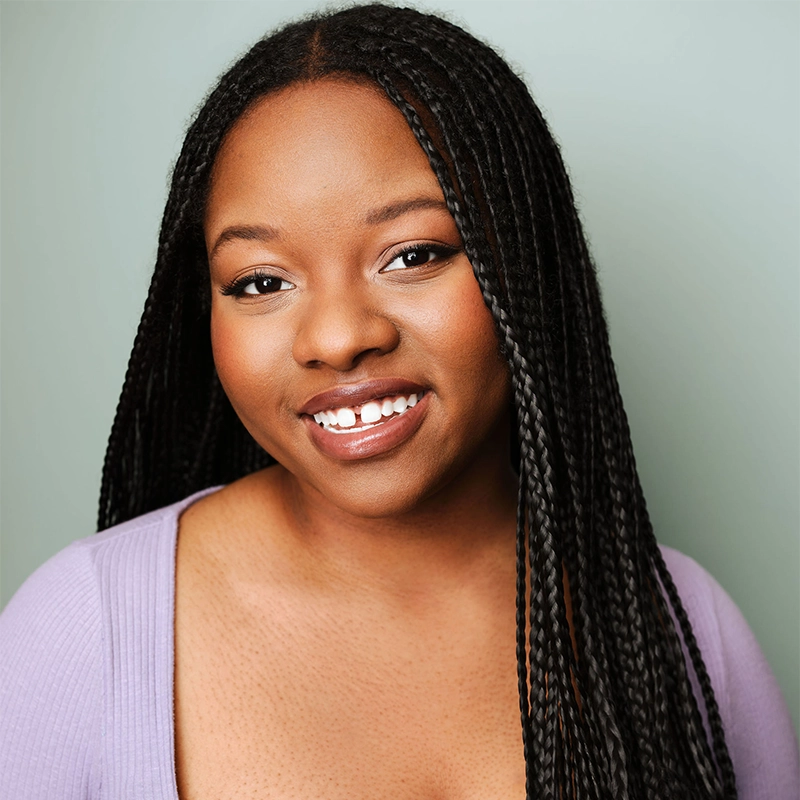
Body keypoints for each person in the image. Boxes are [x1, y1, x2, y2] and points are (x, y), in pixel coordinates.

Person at [1, 4, 797, 799]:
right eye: (260, 281)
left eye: (413, 255)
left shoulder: (680, 626)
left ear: (524, 266)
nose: (339, 337)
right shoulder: (85, 629)